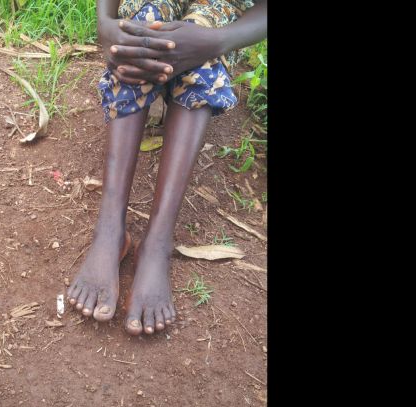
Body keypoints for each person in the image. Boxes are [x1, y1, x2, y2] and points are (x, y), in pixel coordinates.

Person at [66, 0, 267, 335]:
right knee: (142, 32)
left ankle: (157, 242)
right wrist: (105, 24)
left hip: (223, 10)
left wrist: (217, 40)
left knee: (202, 46)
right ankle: (110, 230)